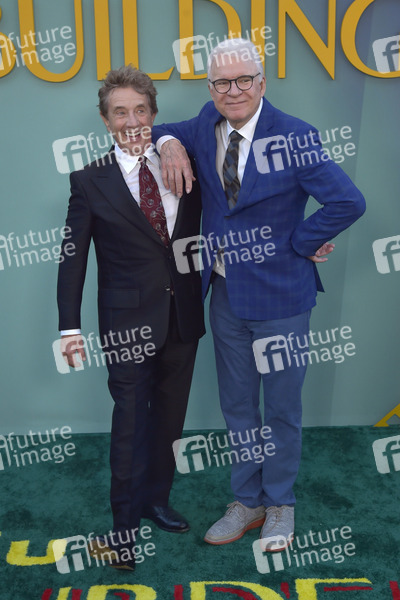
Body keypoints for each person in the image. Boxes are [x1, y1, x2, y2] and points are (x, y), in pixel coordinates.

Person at [153, 38, 365, 551]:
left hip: (282, 300)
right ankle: (247, 501)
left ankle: (280, 505)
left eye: (244, 80)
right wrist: (169, 144)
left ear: (262, 83)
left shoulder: (295, 135)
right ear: (211, 88)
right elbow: (158, 129)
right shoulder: (204, 123)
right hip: (225, 296)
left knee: (282, 410)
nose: (234, 90)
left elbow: (348, 201)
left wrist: (301, 243)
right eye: (222, 82)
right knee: (238, 406)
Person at [57, 65, 204, 570]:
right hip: (126, 326)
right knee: (129, 425)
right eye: (121, 112)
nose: (132, 121)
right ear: (105, 120)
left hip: (183, 318)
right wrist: (70, 328)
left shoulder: (184, 165)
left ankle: (155, 501)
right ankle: (123, 530)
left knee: (169, 419)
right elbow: (72, 258)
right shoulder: (88, 180)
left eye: (141, 110)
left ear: (154, 114)